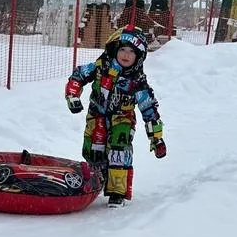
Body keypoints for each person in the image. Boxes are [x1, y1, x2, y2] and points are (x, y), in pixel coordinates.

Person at [64, 24, 166, 208]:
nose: (126, 55)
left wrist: (156, 139)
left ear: (139, 56)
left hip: (122, 120)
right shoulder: (100, 66)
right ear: (115, 49)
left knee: (119, 151)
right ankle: (97, 180)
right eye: (123, 50)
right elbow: (78, 75)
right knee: (94, 149)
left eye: (131, 52)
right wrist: (72, 95)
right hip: (97, 115)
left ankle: (117, 192)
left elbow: (149, 110)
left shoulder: (138, 82)